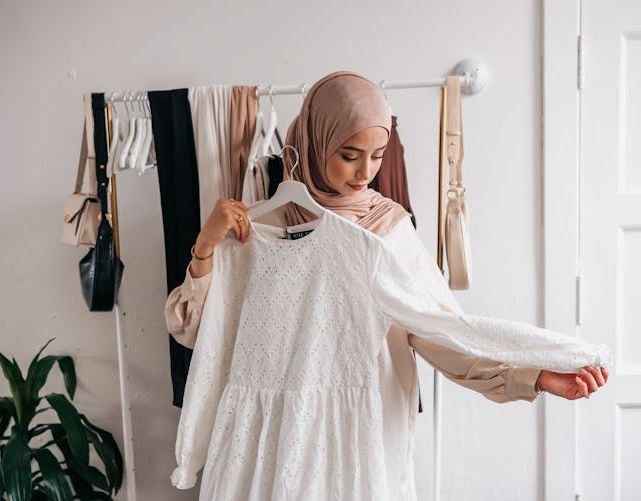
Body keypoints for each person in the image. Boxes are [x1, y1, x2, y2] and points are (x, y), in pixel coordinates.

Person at [165, 71, 608, 499]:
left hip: (357, 436)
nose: (365, 173)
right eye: (350, 154)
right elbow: (198, 334)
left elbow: (441, 332)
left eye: (377, 156)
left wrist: (531, 376)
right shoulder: (253, 228)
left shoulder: (385, 230)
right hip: (266, 443)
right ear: (315, 142)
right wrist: (205, 249)